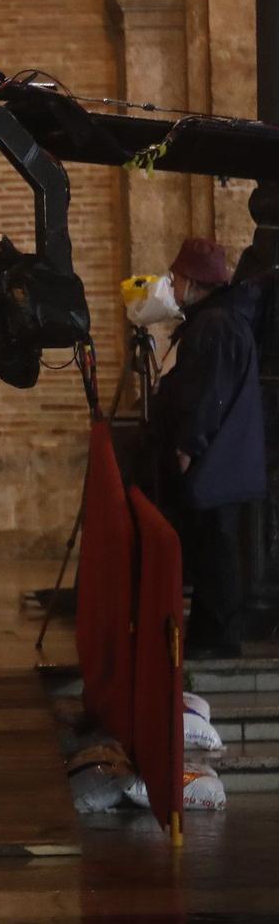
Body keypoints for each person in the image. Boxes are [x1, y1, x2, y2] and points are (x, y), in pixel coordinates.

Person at [153, 236, 263, 659]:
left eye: (176, 277)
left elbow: (207, 394)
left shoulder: (216, 323)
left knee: (217, 551)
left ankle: (216, 641)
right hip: (222, 459)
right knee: (214, 549)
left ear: (195, 282)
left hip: (216, 461)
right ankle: (209, 635)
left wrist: (187, 445)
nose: (171, 285)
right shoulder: (218, 318)